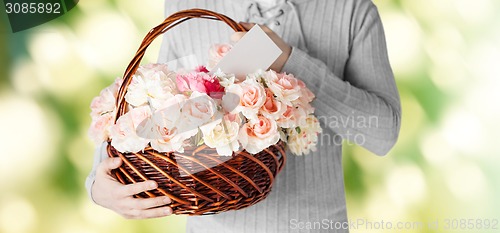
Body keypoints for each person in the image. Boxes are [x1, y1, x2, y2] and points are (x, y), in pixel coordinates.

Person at [86, 0, 401, 232]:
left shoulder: (351, 9)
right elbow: (155, 112)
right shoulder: (188, 7)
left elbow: (383, 134)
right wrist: (98, 186)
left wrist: (292, 61)